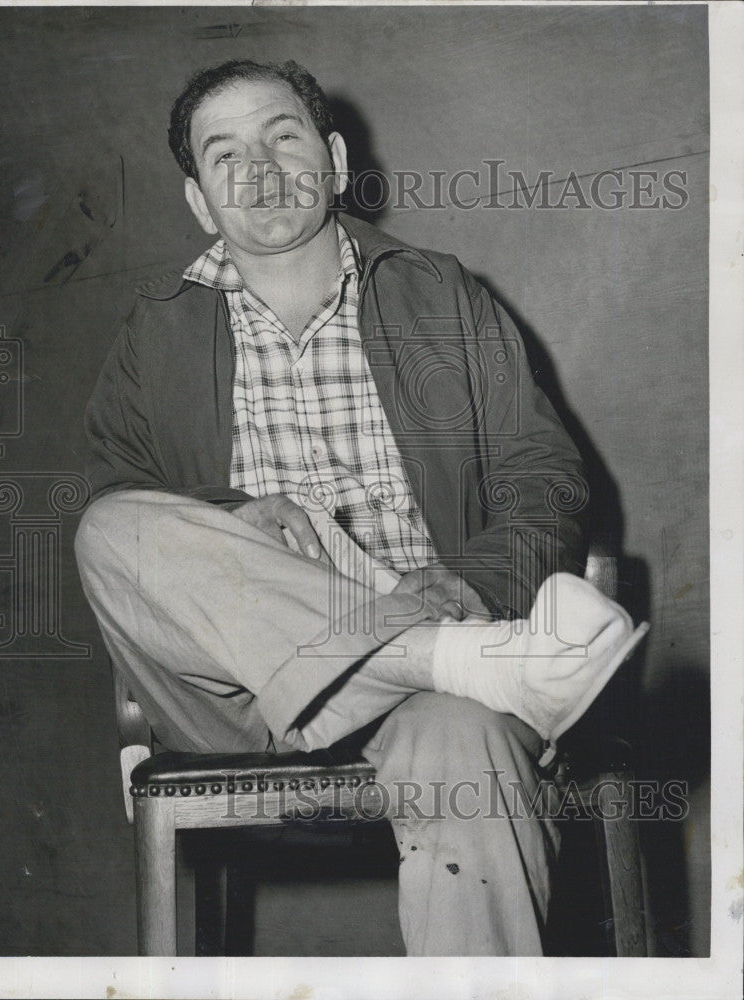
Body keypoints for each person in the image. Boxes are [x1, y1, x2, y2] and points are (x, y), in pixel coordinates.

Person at [75, 59, 647, 956]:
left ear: (335, 159)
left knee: (468, 745)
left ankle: (449, 659)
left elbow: (547, 476)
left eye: (284, 136)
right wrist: (230, 523)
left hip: (434, 660)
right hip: (239, 689)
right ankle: (466, 659)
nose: (258, 169)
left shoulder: (443, 294)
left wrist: (464, 583)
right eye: (224, 155)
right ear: (198, 201)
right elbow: (118, 506)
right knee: (105, 526)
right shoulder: (155, 334)